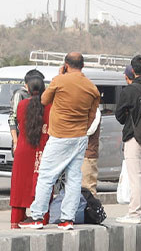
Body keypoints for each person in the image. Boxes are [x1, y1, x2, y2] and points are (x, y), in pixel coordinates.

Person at [18, 53, 99, 231]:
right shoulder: (91, 87)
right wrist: (81, 128)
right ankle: (67, 219)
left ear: (66, 65)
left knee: (46, 176)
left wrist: (61, 76)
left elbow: (44, 100)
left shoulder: (59, 81)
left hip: (60, 136)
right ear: (83, 65)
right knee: (74, 179)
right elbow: (92, 115)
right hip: (80, 137)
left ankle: (37, 216)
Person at [114, 55, 141, 224]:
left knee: (135, 175)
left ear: (133, 71)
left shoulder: (130, 90)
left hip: (133, 135)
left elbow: (119, 115)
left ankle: (134, 213)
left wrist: (128, 116)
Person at [9, 70, 50, 228]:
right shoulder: (49, 106)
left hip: (23, 149)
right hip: (42, 149)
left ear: (27, 87)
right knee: (42, 183)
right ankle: (42, 218)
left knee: (19, 185)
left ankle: (16, 221)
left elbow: (17, 122)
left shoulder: (22, 105)